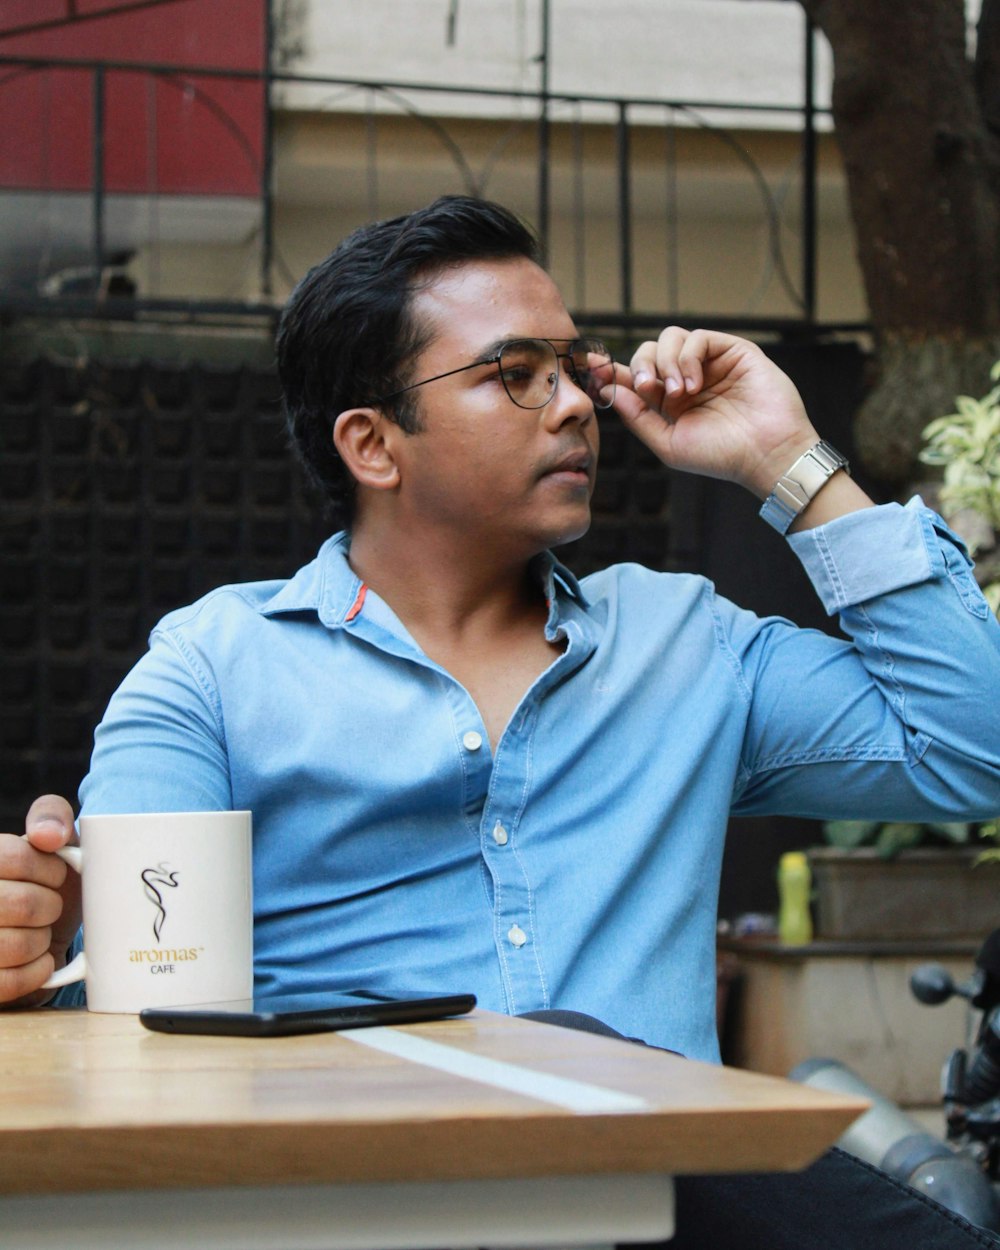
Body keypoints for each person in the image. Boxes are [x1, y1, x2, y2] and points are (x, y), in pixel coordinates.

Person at [2, 195, 999, 1248]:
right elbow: (135, 1000)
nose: (573, 403)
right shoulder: (214, 667)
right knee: (573, 1064)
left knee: (625, 1088)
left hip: (659, 1207)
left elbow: (972, 749)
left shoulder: (686, 643)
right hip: (361, 1207)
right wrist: (44, 942)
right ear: (373, 444)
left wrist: (785, 459)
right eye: (514, 374)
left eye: (574, 368)